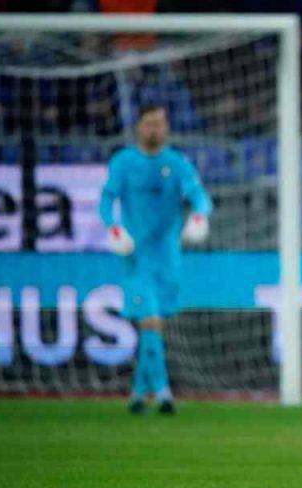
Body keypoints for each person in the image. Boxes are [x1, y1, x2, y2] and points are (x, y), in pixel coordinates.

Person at [99, 104, 212, 415]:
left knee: (154, 325)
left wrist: (200, 216)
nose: (154, 130)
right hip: (136, 258)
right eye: (149, 124)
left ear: (167, 128)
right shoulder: (124, 162)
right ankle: (163, 393)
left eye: (160, 124)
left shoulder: (176, 163)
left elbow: (199, 195)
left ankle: (137, 394)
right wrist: (113, 226)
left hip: (168, 258)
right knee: (150, 320)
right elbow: (107, 199)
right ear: (138, 127)